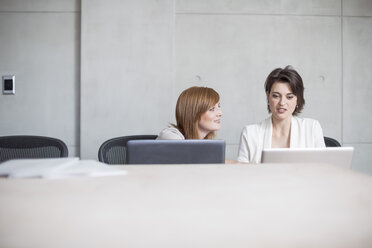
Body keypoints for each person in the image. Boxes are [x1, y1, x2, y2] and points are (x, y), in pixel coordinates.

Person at [237, 66, 325, 163]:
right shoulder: (250, 134)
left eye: (289, 97)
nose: (282, 102)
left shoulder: (312, 128)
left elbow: (323, 170)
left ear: (298, 99)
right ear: (268, 96)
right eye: (276, 96)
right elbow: (242, 173)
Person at [157, 86, 222, 140]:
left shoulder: (205, 143)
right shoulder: (171, 137)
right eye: (212, 109)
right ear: (194, 113)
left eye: (218, 106)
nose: (220, 113)